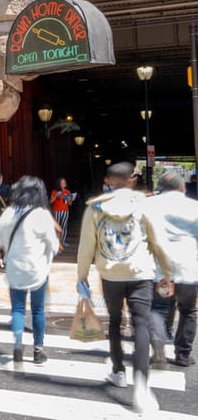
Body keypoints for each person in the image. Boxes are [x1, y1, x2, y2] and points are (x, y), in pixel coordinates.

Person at [77, 161, 174, 414]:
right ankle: (141, 388)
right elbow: (158, 241)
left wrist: (82, 274)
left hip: (110, 274)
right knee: (140, 324)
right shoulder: (144, 205)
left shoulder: (95, 208)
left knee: (115, 321)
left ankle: (118, 370)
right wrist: (167, 272)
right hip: (140, 271)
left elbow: (86, 246)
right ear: (131, 179)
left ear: (109, 181)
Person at [0, 176, 59, 365]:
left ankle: (18, 344)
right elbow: (54, 245)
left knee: (17, 308)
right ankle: (38, 350)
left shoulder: (9, 213)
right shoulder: (41, 214)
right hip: (37, 268)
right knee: (38, 310)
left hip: (14, 267)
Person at [144, 171, 198, 368]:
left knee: (158, 308)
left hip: (160, 269)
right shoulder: (194, 207)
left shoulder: (148, 206)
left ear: (160, 187)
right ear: (182, 186)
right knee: (188, 310)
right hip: (188, 267)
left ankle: (158, 342)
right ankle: (183, 354)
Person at [49, 177, 76, 247]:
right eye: (62, 183)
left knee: (64, 226)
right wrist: (56, 195)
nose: (64, 184)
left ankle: (63, 241)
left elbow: (70, 204)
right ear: (59, 184)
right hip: (57, 211)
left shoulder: (67, 191)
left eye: (65, 183)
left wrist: (70, 199)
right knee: (57, 226)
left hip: (65, 211)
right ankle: (56, 241)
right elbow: (51, 201)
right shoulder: (55, 191)